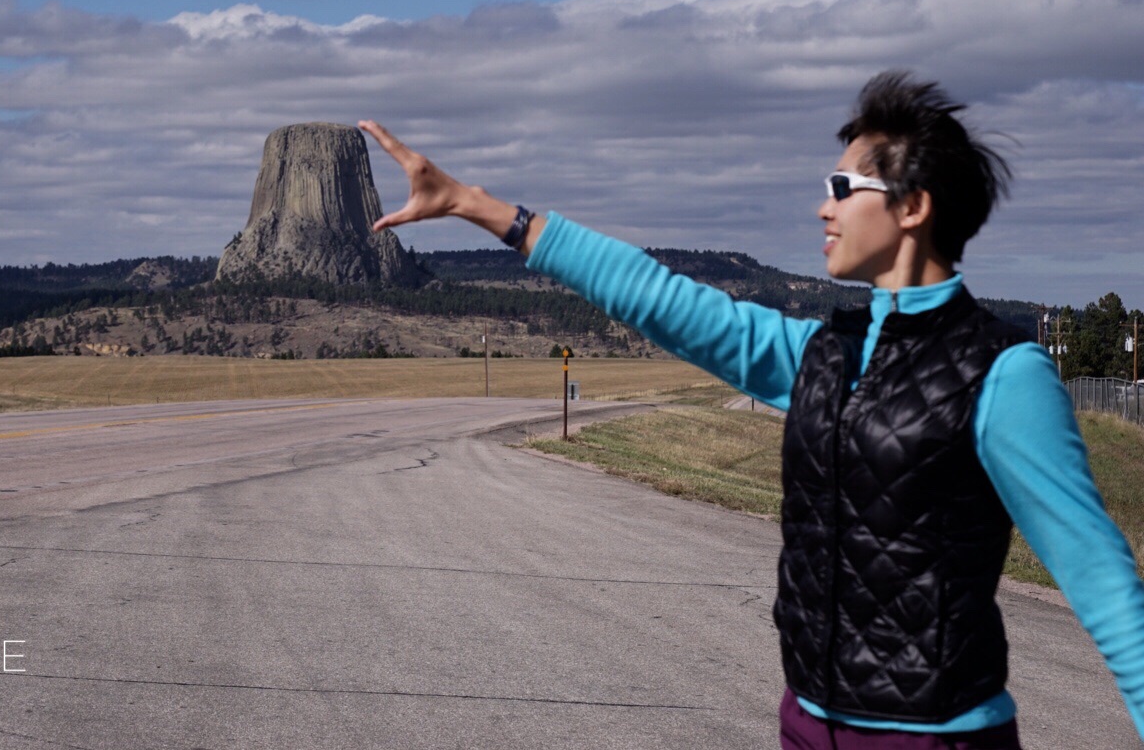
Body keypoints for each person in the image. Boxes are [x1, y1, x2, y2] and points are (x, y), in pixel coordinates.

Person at [358, 71, 1144, 749]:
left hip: (934, 736)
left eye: (842, 188)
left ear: (913, 208)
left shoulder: (1004, 373)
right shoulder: (820, 354)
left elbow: (1104, 586)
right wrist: (475, 205)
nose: (822, 208)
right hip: (806, 722)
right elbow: (659, 298)